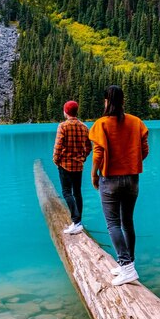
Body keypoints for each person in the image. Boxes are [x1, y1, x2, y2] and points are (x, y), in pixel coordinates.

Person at [89, 85, 149, 285]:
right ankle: (128, 264)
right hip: (132, 179)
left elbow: (98, 154)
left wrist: (94, 175)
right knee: (127, 222)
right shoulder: (136, 122)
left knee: (113, 224)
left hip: (110, 180)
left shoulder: (101, 124)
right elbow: (144, 151)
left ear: (106, 102)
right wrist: (131, 162)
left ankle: (126, 266)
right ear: (123, 101)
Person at [53, 100, 92, 235]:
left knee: (66, 192)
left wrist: (56, 160)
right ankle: (78, 221)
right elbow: (89, 147)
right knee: (77, 193)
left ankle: (76, 222)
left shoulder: (62, 126)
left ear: (66, 112)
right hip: (78, 166)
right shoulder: (84, 127)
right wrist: (82, 157)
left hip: (65, 165)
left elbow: (58, 146)